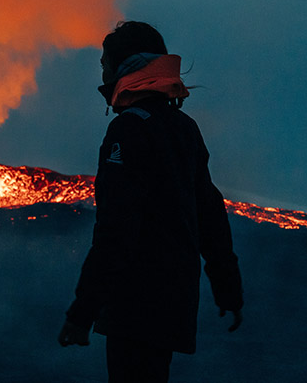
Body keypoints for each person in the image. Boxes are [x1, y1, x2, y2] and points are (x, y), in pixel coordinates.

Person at [58, 21, 244, 382]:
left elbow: (116, 231)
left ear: (124, 68)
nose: (101, 71)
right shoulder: (184, 129)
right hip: (174, 304)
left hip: (135, 306)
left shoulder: (129, 130)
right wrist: (228, 288)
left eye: (104, 63)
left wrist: (82, 313)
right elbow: (211, 216)